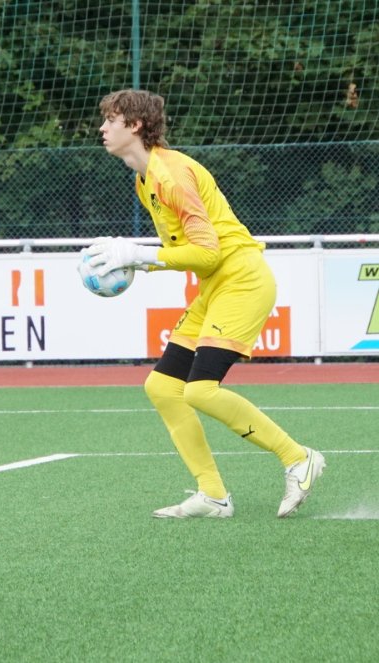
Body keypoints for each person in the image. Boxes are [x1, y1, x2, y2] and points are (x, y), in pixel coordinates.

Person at [83, 88, 324, 519]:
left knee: (199, 390)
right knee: (162, 387)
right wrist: (141, 260)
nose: (102, 128)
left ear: (134, 126)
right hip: (215, 286)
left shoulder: (172, 175)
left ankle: (297, 457)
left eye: (111, 120)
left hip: (242, 281)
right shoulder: (144, 180)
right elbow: (188, 251)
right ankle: (213, 495)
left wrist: (141, 254)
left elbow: (208, 252)